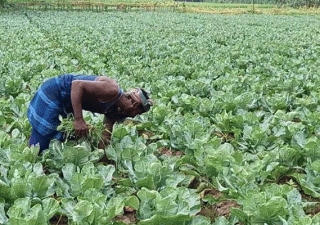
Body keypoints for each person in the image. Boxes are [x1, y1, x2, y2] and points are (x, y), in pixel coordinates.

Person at [27, 74, 152, 152]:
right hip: (55, 92)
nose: (133, 116)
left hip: (66, 103)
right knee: (45, 131)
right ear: (134, 105)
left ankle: (34, 156)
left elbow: (105, 135)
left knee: (59, 136)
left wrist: (104, 159)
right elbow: (77, 85)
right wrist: (78, 119)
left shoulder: (114, 111)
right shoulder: (112, 90)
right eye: (137, 113)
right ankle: (33, 158)